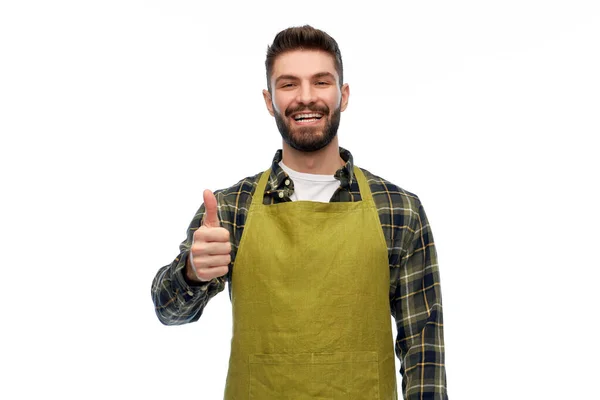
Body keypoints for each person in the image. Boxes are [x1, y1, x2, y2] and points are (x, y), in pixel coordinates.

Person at [151, 25, 448, 400]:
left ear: (343, 95)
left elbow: (424, 351)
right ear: (269, 99)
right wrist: (191, 272)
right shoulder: (231, 208)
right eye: (289, 84)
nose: (306, 98)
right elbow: (167, 310)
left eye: (321, 82)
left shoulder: (399, 209)